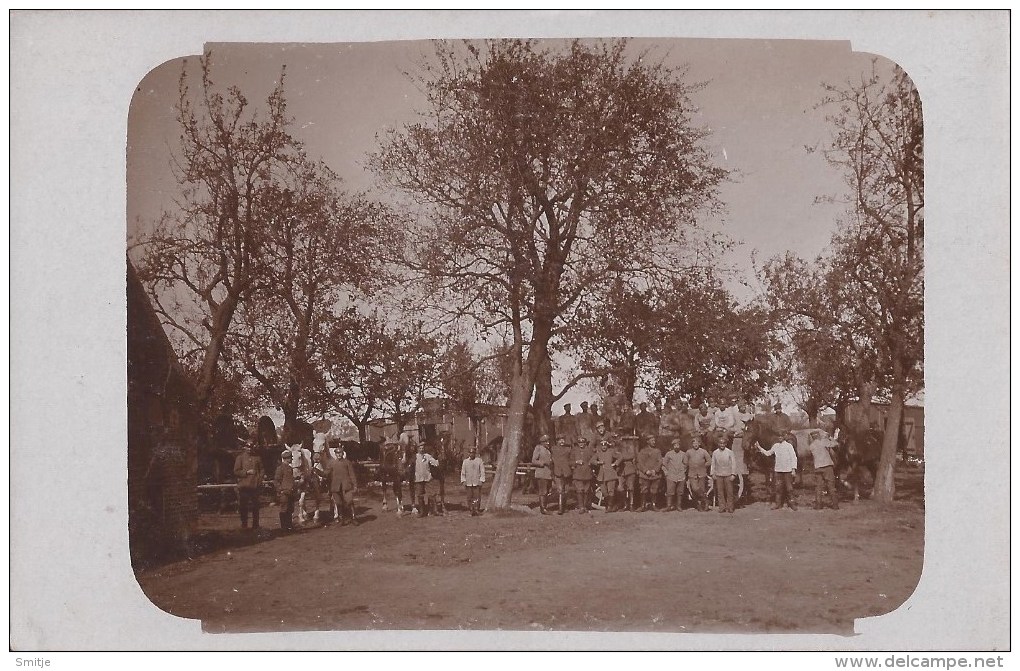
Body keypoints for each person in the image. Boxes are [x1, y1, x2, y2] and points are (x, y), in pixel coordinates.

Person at [758, 432, 799, 510]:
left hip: (787, 471)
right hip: (778, 471)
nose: (780, 438)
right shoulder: (776, 446)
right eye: (778, 436)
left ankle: (792, 504)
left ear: (784, 437)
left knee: (789, 488)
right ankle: (778, 504)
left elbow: (794, 458)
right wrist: (759, 448)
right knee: (778, 488)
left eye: (781, 436)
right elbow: (768, 453)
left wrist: (793, 469)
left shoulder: (789, 446)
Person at [325, 448, 360, 526]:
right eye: (337, 453)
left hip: (346, 485)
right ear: (335, 454)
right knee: (339, 503)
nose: (339, 455)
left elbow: (352, 475)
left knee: (349, 501)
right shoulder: (332, 463)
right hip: (336, 486)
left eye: (340, 453)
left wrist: (355, 485)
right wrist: (316, 471)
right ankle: (341, 519)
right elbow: (326, 473)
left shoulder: (347, 463)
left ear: (343, 453)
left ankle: (354, 518)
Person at [233, 441, 264, 530]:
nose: (249, 449)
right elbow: (236, 471)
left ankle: (256, 525)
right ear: (245, 447)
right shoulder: (240, 458)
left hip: (255, 486)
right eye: (248, 447)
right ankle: (244, 524)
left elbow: (262, 470)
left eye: (251, 447)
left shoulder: (257, 458)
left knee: (256, 506)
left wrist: (259, 480)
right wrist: (246, 472)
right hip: (244, 486)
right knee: (243, 506)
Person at [808, 430, 840, 510]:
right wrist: (829, 437)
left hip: (818, 467)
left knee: (818, 487)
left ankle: (818, 505)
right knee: (831, 485)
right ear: (818, 436)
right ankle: (835, 505)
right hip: (827, 466)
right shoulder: (824, 442)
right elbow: (836, 444)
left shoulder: (811, 446)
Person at [413, 443, 441, 517]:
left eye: (422, 448)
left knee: (432, 494)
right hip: (418, 479)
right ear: (417, 449)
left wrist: (440, 460)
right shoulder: (415, 457)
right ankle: (422, 512)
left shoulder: (427, 456)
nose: (421, 449)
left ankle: (435, 510)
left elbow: (435, 463)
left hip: (427, 478)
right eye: (420, 448)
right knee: (419, 495)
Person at [591, 439, 619, 513]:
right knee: (604, 491)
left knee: (611, 490)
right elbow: (592, 460)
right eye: (602, 446)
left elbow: (620, 457)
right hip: (601, 475)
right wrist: (598, 462)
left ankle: (610, 506)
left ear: (607, 446)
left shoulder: (611, 452)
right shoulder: (598, 453)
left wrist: (615, 463)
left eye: (605, 446)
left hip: (610, 474)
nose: (604, 447)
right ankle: (608, 505)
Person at [710, 436, 737, 513]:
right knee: (720, 492)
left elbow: (733, 464)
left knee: (729, 492)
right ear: (718, 444)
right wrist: (713, 474)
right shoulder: (715, 453)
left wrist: (733, 474)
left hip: (728, 475)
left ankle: (730, 507)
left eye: (723, 443)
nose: (722, 445)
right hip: (719, 475)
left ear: (726, 444)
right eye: (720, 443)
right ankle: (722, 507)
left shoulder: (729, 452)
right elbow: (713, 464)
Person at [685, 435, 711, 512]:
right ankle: (706, 500)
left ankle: (701, 505)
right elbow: (685, 462)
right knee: (695, 488)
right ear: (692, 444)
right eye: (694, 443)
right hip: (692, 473)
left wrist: (703, 465)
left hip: (702, 473)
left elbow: (709, 461)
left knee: (702, 489)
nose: (695, 445)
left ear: (699, 444)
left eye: (697, 443)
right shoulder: (688, 452)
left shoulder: (703, 451)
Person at [570, 437, 595, 513]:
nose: (581, 444)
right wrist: (576, 462)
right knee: (580, 491)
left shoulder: (589, 450)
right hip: (578, 474)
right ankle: (581, 507)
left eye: (583, 442)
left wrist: (591, 463)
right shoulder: (574, 451)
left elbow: (594, 458)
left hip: (587, 473)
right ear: (578, 443)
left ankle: (585, 506)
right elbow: (570, 462)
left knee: (586, 491)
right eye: (580, 443)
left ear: (585, 443)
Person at [636, 439, 663, 511]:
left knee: (654, 490)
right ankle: (643, 505)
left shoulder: (657, 451)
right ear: (647, 442)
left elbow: (660, 461)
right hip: (645, 475)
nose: (654, 442)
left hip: (655, 475)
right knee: (643, 490)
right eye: (652, 441)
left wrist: (655, 470)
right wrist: (645, 471)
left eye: (654, 440)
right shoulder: (642, 451)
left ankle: (653, 505)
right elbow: (640, 462)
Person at [550, 435, 574, 514]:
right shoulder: (553, 449)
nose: (562, 441)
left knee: (566, 490)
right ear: (557, 441)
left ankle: (565, 507)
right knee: (560, 490)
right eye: (560, 440)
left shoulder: (568, 449)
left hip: (567, 472)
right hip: (557, 472)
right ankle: (560, 509)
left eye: (563, 440)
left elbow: (571, 459)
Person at [661, 439, 687, 511]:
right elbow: (663, 464)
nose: (676, 446)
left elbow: (685, 464)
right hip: (671, 475)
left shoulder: (683, 454)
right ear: (673, 446)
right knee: (670, 491)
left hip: (680, 476)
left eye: (678, 445)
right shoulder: (669, 454)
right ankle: (669, 506)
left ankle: (679, 506)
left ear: (680, 446)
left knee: (680, 492)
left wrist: (683, 471)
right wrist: (666, 473)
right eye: (675, 445)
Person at [614, 434, 638, 511]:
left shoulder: (629, 448)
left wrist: (619, 459)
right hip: (620, 472)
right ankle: (625, 504)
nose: (618, 441)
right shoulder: (614, 450)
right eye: (616, 440)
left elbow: (631, 456)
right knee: (620, 489)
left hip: (630, 470)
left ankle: (631, 504)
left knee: (631, 488)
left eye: (619, 440)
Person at [273, 451, 297, 530]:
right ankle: (284, 527)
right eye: (290, 458)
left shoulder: (290, 468)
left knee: (290, 509)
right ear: (286, 459)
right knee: (284, 509)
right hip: (284, 493)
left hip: (290, 492)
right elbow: (276, 481)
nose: (291, 459)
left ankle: (289, 525)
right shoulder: (280, 468)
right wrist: (281, 490)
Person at [531, 435, 554, 514]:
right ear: (542, 442)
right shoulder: (538, 448)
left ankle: (545, 507)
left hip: (548, 474)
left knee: (547, 491)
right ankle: (543, 508)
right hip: (541, 473)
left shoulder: (548, 450)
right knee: (543, 491)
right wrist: (542, 463)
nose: (548, 443)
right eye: (546, 442)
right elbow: (534, 460)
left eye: (548, 441)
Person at [460, 446, 486, 516]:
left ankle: (476, 509)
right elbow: (463, 472)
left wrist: (481, 480)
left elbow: (482, 471)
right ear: (468, 453)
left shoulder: (479, 461)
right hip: (468, 482)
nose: (471, 454)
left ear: (475, 453)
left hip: (476, 482)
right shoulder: (465, 461)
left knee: (476, 497)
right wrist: (463, 480)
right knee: (469, 497)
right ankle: (471, 509)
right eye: (470, 453)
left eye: (473, 453)